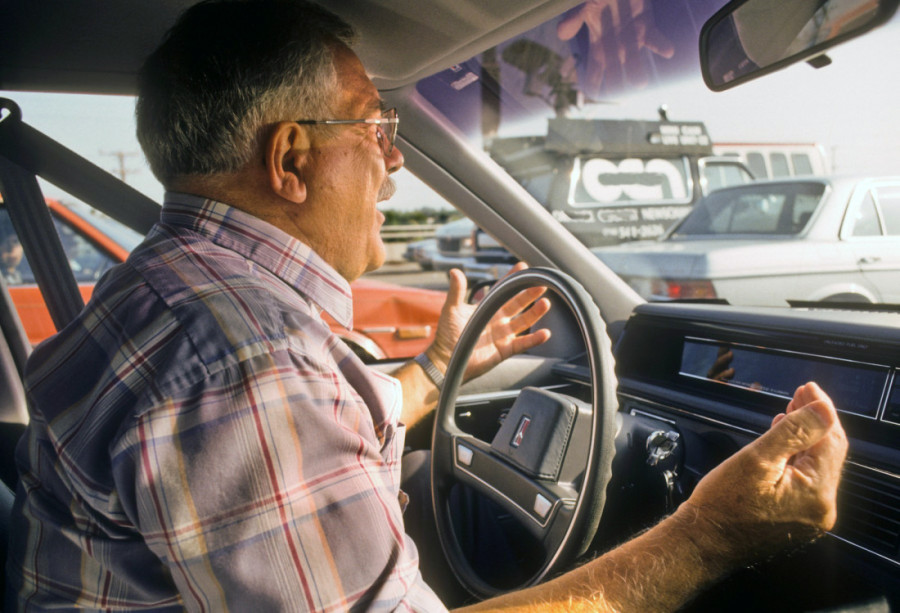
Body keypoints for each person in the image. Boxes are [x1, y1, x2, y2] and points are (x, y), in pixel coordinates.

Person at [4, 1, 847, 612]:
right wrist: (707, 534)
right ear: (292, 159)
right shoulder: (248, 366)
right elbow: (266, 407)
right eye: (377, 129)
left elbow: (318, 415)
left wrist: (440, 369)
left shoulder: (162, 285)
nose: (395, 163)